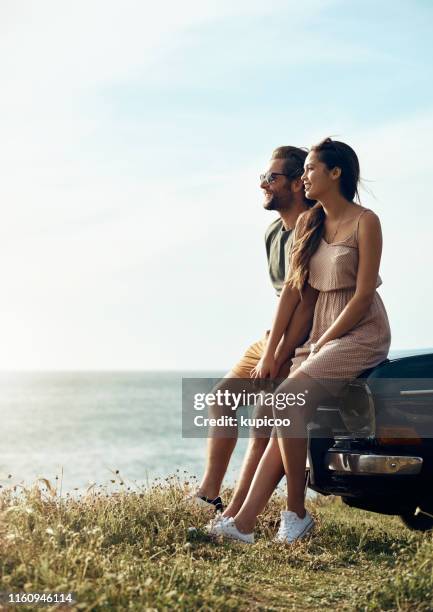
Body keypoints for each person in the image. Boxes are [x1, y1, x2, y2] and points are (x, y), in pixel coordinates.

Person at [211, 137, 391, 544]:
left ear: (335, 173)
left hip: (360, 330)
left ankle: (295, 514)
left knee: (283, 400)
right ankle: (243, 524)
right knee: (281, 412)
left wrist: (326, 338)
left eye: (311, 169)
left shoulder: (366, 221)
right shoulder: (310, 224)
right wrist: (275, 348)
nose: (304, 177)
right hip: (322, 331)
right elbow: (291, 293)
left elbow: (363, 296)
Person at [192, 146, 317, 517]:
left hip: (303, 337)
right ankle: (209, 495)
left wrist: (280, 351)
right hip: (274, 332)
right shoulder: (272, 232)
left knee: (266, 417)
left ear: (297, 183)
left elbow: (307, 301)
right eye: (263, 177)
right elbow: (284, 295)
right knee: (222, 398)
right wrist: (269, 346)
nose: (263, 184)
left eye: (271, 177)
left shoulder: (312, 227)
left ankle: (237, 512)